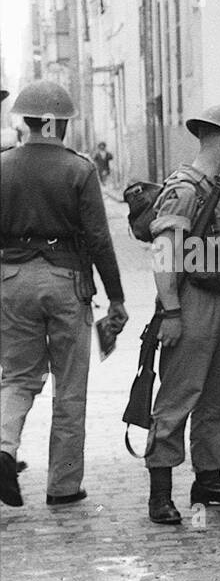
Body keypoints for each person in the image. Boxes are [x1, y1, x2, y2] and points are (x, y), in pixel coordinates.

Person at [0, 81, 128, 508]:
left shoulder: (2, 166)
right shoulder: (79, 169)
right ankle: (63, 485)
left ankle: (3, 448)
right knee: (70, 386)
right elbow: (98, 238)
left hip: (12, 278)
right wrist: (116, 296)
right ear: (56, 123)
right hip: (66, 280)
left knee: (18, 377)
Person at [144, 104, 220, 525]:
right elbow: (164, 255)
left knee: (219, 399)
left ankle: (209, 480)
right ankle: (160, 493)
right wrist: (171, 311)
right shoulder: (185, 190)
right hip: (189, 302)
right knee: (177, 397)